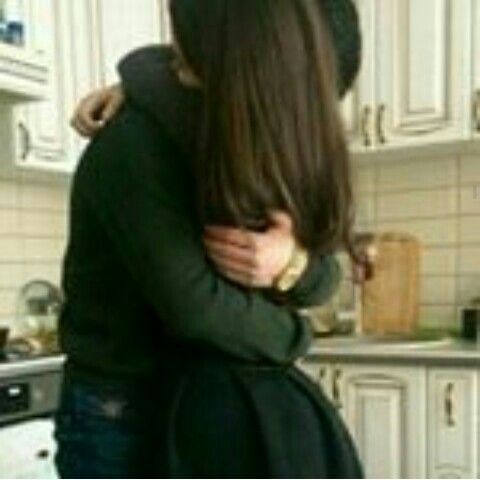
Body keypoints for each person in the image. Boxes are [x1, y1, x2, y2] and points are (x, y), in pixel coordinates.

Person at [56, 0, 366, 477]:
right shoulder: (133, 145)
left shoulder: (239, 139)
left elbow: (324, 272)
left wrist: (290, 262)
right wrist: (297, 335)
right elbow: (198, 306)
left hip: (197, 395)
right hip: (120, 410)